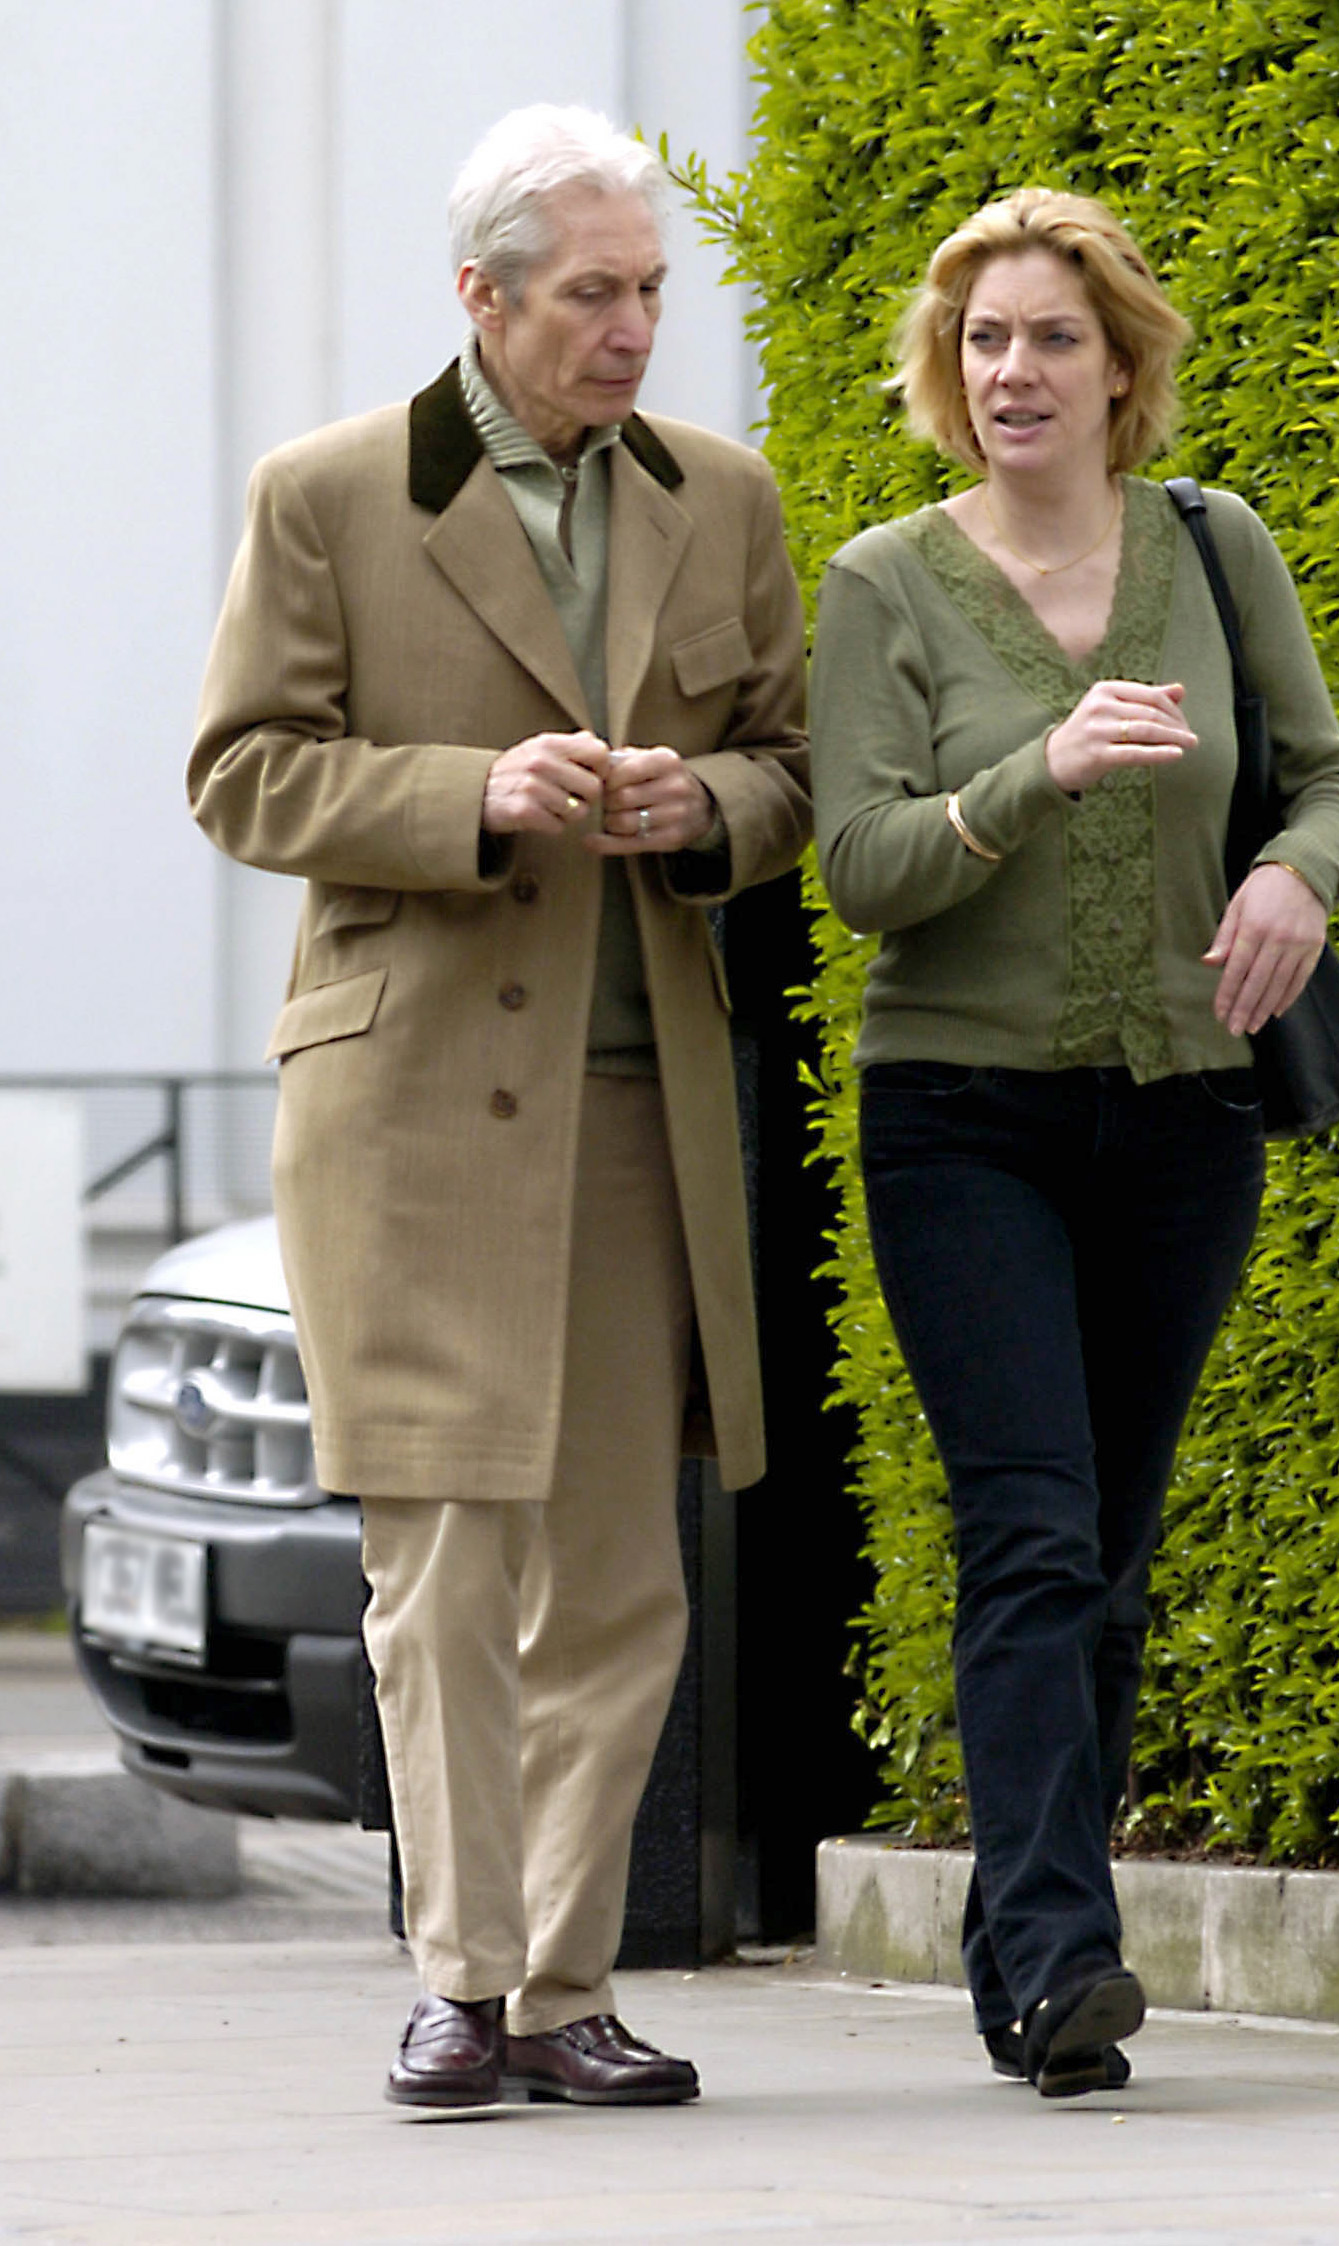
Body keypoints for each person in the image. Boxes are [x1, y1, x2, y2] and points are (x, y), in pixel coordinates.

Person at [189, 104, 808, 2113]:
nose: (638, 328)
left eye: (651, 290)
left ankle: (562, 1987)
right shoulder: (327, 493)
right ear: (482, 296)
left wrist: (695, 806)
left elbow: (791, 769)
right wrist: (469, 796)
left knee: (624, 1573)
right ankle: (458, 1979)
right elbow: (244, 772)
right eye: (596, 294)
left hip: (645, 1109)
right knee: (443, 1562)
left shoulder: (723, 496)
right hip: (412, 1108)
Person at [810, 188, 1339, 2097]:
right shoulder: (889, 578)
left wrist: (1296, 877)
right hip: (960, 1115)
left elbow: (1323, 775)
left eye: (1050, 337)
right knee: (1030, 1523)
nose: (1011, 371)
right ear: (943, 373)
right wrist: (1022, 775)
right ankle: (1064, 1955)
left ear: (1120, 367)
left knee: (1106, 1551)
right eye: (980, 341)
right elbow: (860, 869)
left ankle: (1019, 1946)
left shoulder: (1213, 546)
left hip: (1186, 1120)